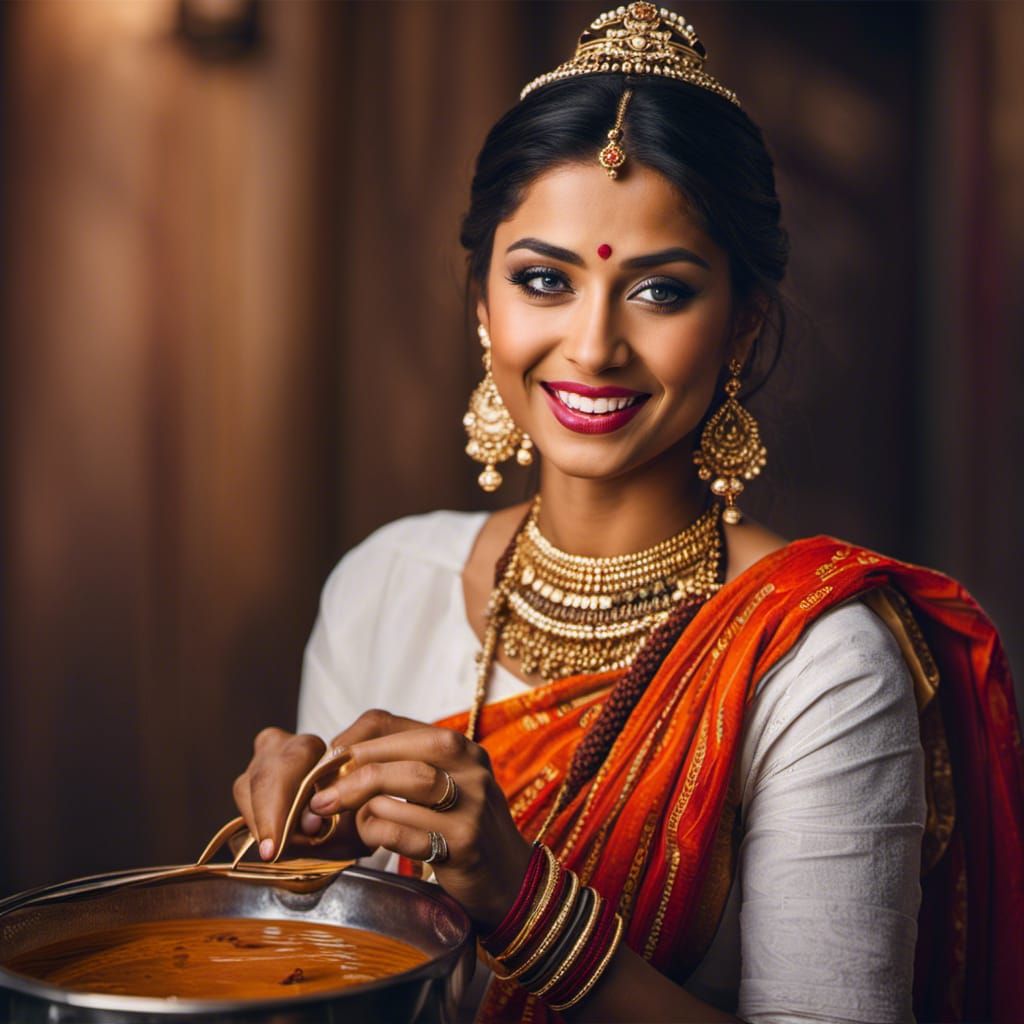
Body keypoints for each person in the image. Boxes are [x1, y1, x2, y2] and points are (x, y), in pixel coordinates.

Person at [231, 5, 1024, 1022]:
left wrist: (527, 906)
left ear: (743, 325)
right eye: (543, 281)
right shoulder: (384, 586)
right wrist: (310, 868)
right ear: (482, 306)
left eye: (659, 292)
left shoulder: (817, 661)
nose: (594, 345)